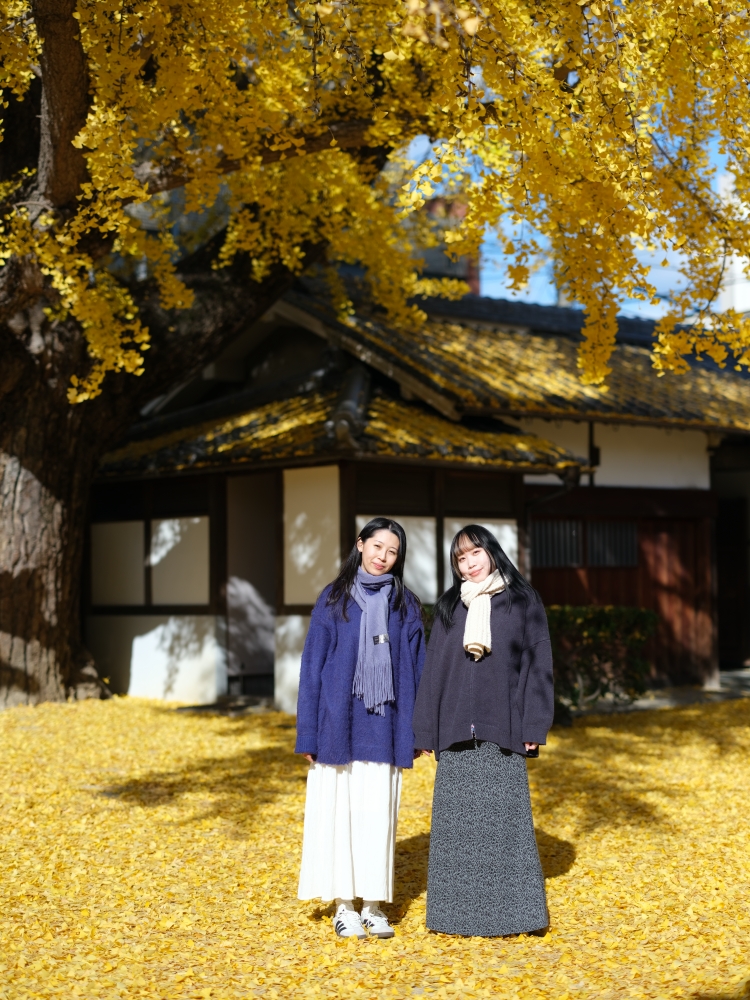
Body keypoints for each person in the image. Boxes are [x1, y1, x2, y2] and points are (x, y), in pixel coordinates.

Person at [412, 524, 553, 938]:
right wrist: (425, 730)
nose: (469, 563)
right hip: (456, 730)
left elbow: (537, 665)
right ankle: (455, 917)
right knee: (458, 830)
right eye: (460, 558)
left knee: (505, 826)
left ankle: (516, 917)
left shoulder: (522, 601)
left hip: (504, 727)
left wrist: (534, 723)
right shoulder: (450, 607)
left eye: (475, 553)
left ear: (492, 552)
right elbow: (434, 670)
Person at [295, 517, 425, 940]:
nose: (383, 557)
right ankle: (344, 906)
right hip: (338, 725)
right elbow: (312, 668)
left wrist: (419, 730)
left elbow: (418, 672)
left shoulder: (406, 605)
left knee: (376, 816)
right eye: (377, 547)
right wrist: (308, 733)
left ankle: (372, 905)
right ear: (360, 544)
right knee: (340, 814)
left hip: (385, 727)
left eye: (392, 552)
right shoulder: (333, 599)